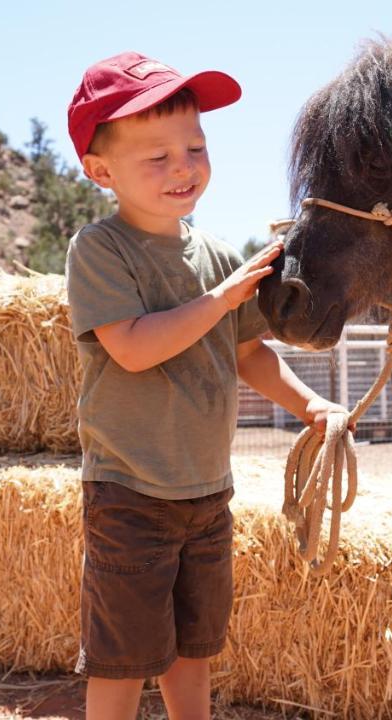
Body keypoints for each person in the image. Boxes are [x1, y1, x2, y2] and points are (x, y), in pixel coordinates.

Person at [64, 51, 347, 720]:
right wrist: (220, 299)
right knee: (124, 657)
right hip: (129, 494)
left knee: (196, 649)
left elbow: (247, 354)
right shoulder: (100, 250)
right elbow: (132, 349)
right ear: (101, 171)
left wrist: (311, 404)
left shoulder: (218, 255)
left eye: (194, 146)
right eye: (156, 156)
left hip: (207, 492)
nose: (184, 165)